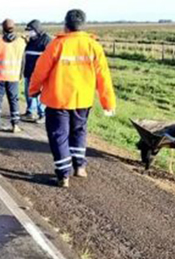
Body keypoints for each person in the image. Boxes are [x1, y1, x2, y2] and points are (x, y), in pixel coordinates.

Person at [29, 9, 116, 188]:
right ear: (82, 25)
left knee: (59, 136)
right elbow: (103, 76)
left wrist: (33, 90)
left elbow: (40, 70)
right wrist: (108, 102)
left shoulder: (57, 44)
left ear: (66, 25)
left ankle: (63, 175)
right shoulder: (93, 46)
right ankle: (79, 167)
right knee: (79, 132)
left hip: (58, 99)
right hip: (83, 99)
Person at [21, 20, 52, 124]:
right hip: (29, 71)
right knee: (29, 93)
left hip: (41, 74)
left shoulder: (46, 40)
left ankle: (42, 114)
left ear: (36, 29)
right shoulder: (30, 41)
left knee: (40, 95)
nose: (29, 33)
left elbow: (50, 58)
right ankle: (30, 112)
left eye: (31, 30)